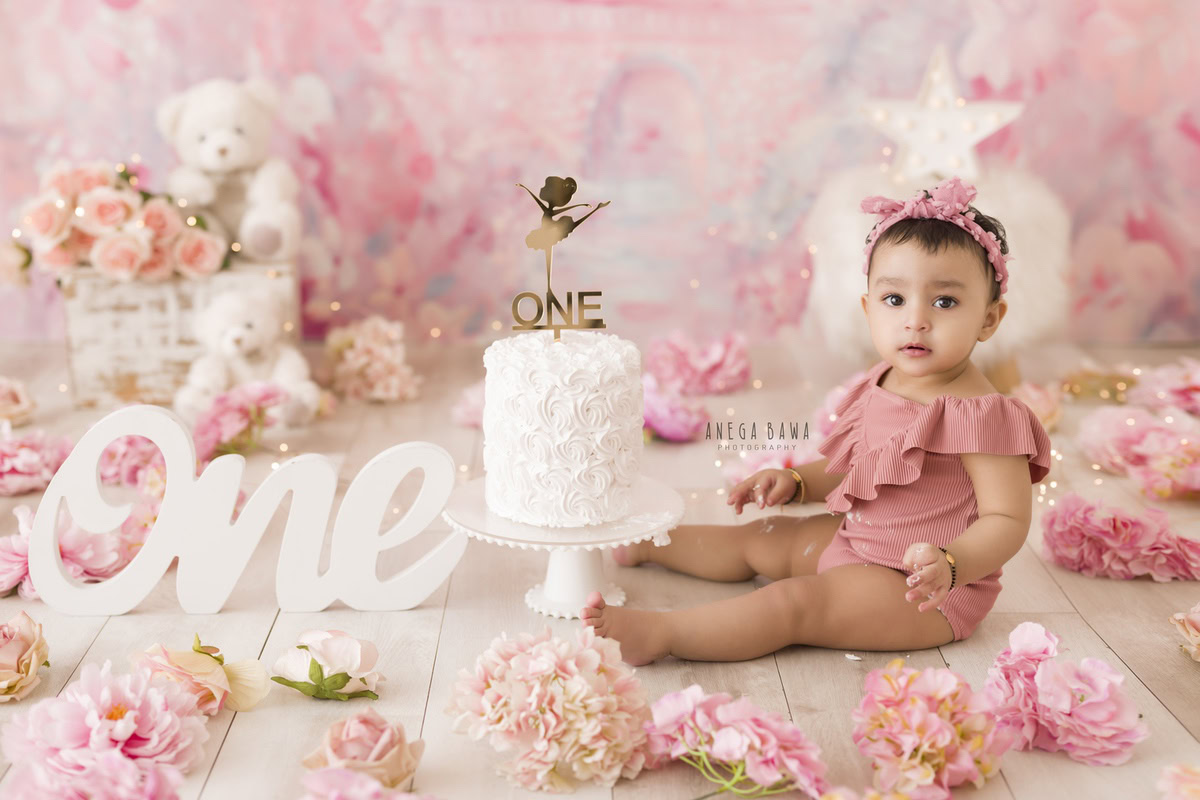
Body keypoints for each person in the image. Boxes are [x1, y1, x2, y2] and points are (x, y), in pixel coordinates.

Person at [582, 176, 1052, 665]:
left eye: (945, 302)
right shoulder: (885, 379)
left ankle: (665, 634)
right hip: (858, 539)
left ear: (989, 319)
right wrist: (796, 481)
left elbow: (1007, 520)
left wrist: (952, 565)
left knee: (795, 603)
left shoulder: (984, 414)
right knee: (768, 539)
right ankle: (645, 545)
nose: (916, 319)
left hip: (920, 590)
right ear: (869, 309)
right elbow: (861, 466)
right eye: (895, 300)